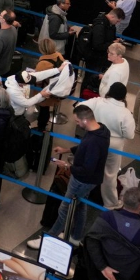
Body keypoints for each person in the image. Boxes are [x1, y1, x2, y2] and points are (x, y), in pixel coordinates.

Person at [28, 105, 110, 249]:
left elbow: (86, 169)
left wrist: (66, 166)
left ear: (85, 120)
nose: (77, 124)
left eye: (78, 122)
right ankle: (75, 237)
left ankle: (48, 239)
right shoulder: (102, 130)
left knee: (64, 209)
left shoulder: (93, 142)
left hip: (81, 181)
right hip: (90, 181)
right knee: (80, 206)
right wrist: (67, 150)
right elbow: (84, 146)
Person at [83, 187, 140, 280]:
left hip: (102, 275)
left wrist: (102, 267)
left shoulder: (107, 217)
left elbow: (91, 241)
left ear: (123, 200)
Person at [87, 83, 135, 209]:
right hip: (114, 144)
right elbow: (130, 135)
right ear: (124, 96)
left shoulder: (98, 102)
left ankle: (83, 193)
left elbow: (80, 107)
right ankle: (110, 203)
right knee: (110, 174)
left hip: (95, 138)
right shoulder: (125, 113)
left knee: (90, 166)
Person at [33, 39, 66, 130]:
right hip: (55, 87)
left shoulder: (43, 63)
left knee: (44, 110)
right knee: (45, 109)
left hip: (45, 90)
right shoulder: (59, 56)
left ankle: (41, 128)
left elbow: (37, 79)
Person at [87, 8, 125, 74]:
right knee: (91, 79)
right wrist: (112, 43)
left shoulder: (110, 26)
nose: (117, 23)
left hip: (103, 59)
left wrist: (115, 41)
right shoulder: (100, 25)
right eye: (117, 21)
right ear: (112, 16)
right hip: (95, 59)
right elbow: (97, 45)